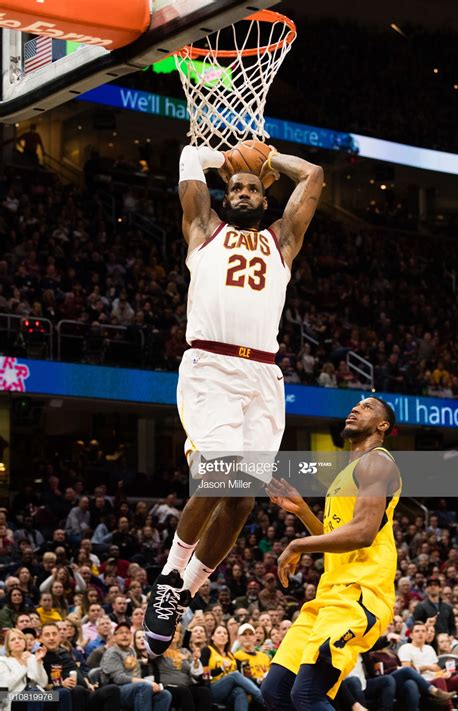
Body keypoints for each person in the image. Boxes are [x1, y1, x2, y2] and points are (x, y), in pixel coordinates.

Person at [144, 142, 324, 655]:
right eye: (236, 188)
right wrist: (220, 159)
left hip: (263, 375)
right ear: (226, 197)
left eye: (252, 188)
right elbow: (185, 159)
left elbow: (313, 176)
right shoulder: (205, 231)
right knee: (221, 472)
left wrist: (270, 161)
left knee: (243, 497)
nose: (243, 192)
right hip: (210, 368)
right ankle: (170, 574)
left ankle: (185, 592)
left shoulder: (283, 240)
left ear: (265, 199)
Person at [261, 397, 402, 710]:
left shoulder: (377, 462)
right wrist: (303, 512)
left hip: (360, 594)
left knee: (307, 695)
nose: (354, 409)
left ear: (382, 425)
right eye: (354, 405)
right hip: (329, 596)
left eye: (366, 407)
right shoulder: (347, 473)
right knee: (275, 691)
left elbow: (363, 533)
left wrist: (297, 544)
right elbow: (336, 538)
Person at [41, 621, 121, 711]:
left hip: (85, 692)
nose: (51, 638)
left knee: (113, 689)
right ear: (41, 638)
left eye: (54, 634)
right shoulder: (39, 657)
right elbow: (41, 685)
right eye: (47, 635)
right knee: (77, 690)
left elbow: (78, 670)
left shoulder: (64, 652)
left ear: (59, 636)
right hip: (64, 695)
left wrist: (88, 682)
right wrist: (61, 684)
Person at [398, 621, 458, 707]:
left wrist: (443, 673)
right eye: (417, 631)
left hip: (436, 680)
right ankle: (450, 708)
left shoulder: (429, 648)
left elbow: (436, 669)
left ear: (426, 635)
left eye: (423, 631)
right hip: (422, 683)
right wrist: (427, 667)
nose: (421, 634)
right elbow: (407, 670)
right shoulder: (405, 648)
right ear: (411, 635)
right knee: (439, 680)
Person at [100, 622, 172, 711]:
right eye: (121, 633)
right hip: (116, 690)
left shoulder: (131, 650)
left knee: (164, 695)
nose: (124, 635)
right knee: (144, 687)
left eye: (127, 632)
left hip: (134, 688)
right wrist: (146, 682)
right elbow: (118, 678)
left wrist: (142, 662)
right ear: (114, 637)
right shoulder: (112, 653)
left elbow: (129, 663)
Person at [200, 625, 264, 710]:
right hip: (212, 689)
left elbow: (242, 678)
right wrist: (221, 668)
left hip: (229, 692)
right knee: (234, 675)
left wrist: (257, 680)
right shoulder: (207, 650)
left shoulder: (231, 655)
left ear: (228, 638)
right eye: (219, 632)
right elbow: (204, 675)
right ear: (212, 637)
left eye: (225, 633)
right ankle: (262, 698)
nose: (222, 635)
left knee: (240, 691)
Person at [154, 625, 212, 711]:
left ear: (180, 635)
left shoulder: (185, 651)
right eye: (170, 630)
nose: (173, 633)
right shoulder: (159, 651)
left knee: (204, 691)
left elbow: (195, 674)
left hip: (186, 686)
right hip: (169, 687)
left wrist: (196, 660)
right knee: (184, 691)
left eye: (176, 631)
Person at [0, 628, 48, 711]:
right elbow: (7, 686)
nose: (17, 641)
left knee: (63, 693)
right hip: (13, 698)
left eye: (20, 638)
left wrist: (38, 662)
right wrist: (23, 666)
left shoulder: (32, 658)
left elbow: (43, 683)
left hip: (38, 695)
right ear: (8, 645)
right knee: (34, 693)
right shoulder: (3, 661)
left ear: (25, 643)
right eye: (13, 639)